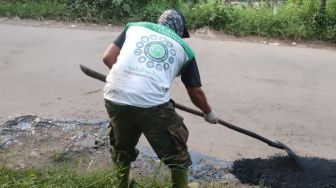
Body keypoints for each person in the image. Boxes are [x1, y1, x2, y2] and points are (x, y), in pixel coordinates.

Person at [102, 9, 218, 188]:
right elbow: (195, 92)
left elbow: (108, 57)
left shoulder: (135, 27)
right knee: (177, 151)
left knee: (122, 145)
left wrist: (129, 81)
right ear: (180, 30)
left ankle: (121, 184)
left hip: (114, 96)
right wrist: (208, 113)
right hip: (152, 104)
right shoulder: (184, 48)